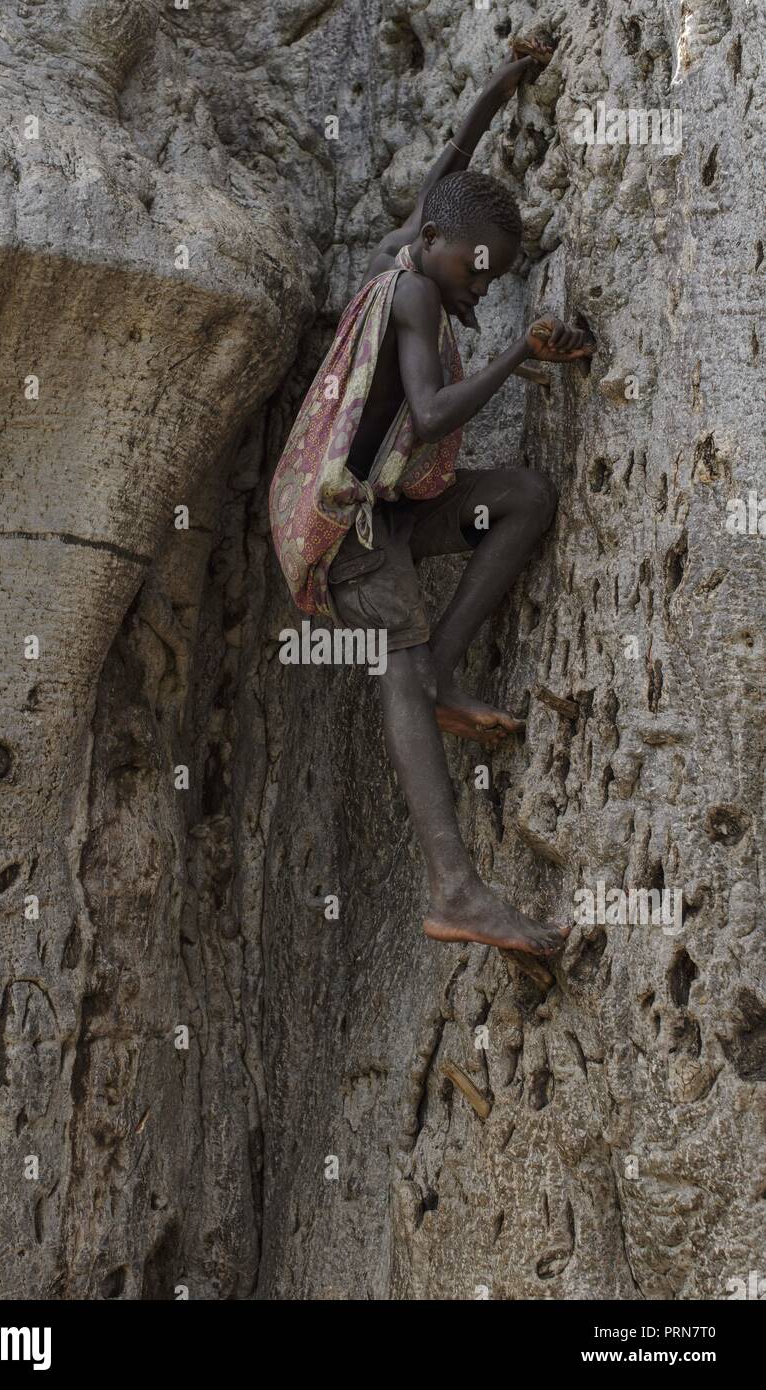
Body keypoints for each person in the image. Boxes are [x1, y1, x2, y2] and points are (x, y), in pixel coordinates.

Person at [269, 39, 594, 957]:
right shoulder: (412, 292)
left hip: (397, 509)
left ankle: (449, 670)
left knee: (523, 497)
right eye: (478, 270)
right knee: (398, 669)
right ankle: (457, 890)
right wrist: (520, 354)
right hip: (347, 532)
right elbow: (434, 406)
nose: (482, 286)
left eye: (493, 275)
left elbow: (449, 165)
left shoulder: (407, 245)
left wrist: (496, 87)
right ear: (434, 248)